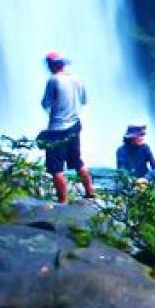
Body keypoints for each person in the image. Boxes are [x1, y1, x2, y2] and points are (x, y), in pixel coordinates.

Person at [39, 51, 95, 204]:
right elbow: (84, 101)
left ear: (51, 65)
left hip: (57, 129)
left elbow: (46, 103)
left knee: (56, 168)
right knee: (77, 162)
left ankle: (63, 202)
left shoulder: (53, 80)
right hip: (74, 126)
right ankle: (90, 192)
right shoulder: (77, 79)